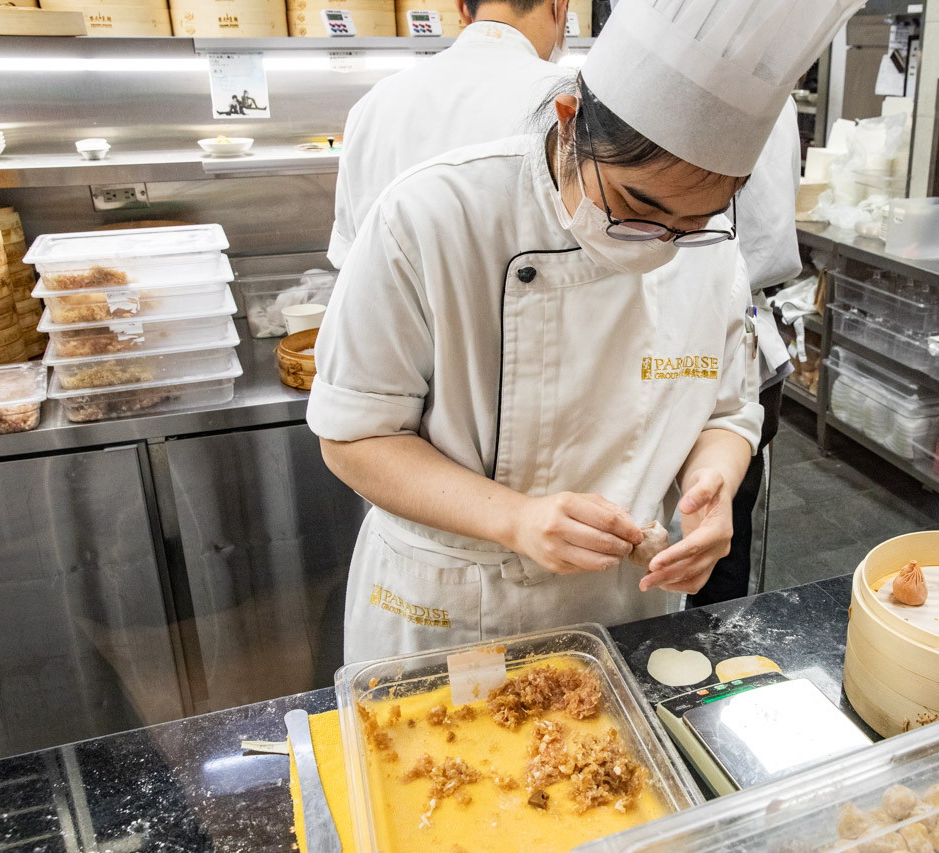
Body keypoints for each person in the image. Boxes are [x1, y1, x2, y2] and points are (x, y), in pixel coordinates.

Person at [307, 0, 859, 664]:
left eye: (695, 221)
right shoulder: (431, 218)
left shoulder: (710, 249)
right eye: (638, 208)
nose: (663, 247)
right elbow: (354, 438)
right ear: (569, 125)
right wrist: (516, 519)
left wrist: (711, 483)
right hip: (456, 615)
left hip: (624, 614)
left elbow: (728, 406)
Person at [328, 0, 572, 268]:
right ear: (559, 6)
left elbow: (350, 262)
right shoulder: (572, 100)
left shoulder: (372, 104)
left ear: (462, 8)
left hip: (393, 307)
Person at [689, 99, 802, 608]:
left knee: (718, 523)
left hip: (740, 331)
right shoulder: (782, 101)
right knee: (719, 525)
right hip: (751, 331)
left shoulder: (768, 101)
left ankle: (715, 643)